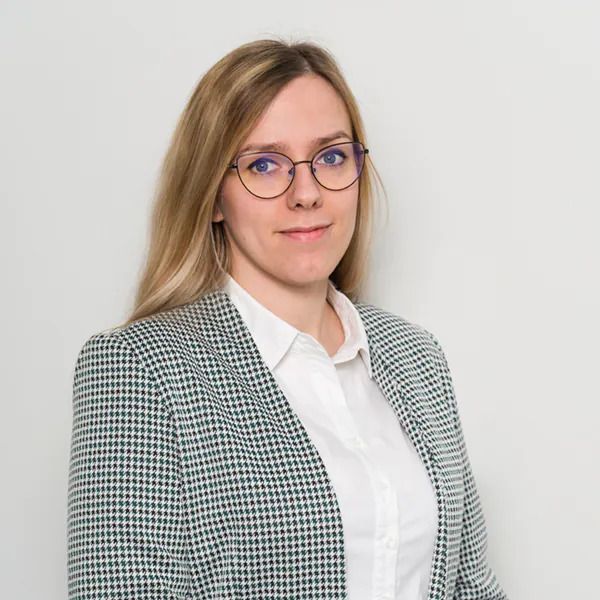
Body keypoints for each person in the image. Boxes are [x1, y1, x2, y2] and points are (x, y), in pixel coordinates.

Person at [67, 38, 508, 600]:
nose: (306, 193)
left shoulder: (415, 356)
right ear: (213, 196)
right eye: (264, 165)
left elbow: (471, 585)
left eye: (331, 157)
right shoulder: (139, 370)